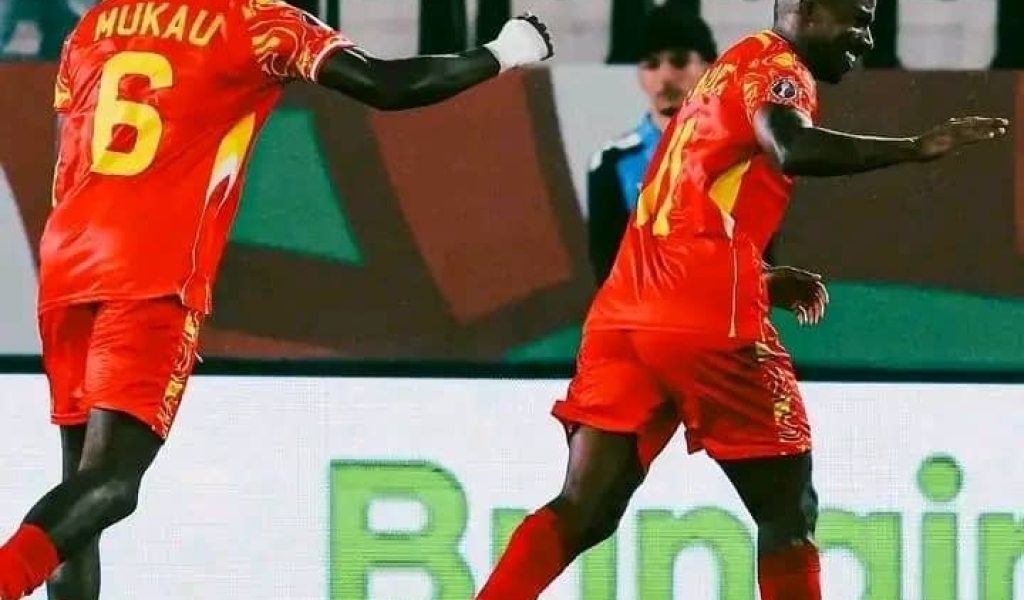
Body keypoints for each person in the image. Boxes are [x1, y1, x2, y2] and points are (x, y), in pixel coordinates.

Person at [0, 2, 554, 599]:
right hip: (151, 270)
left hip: (67, 262)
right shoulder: (257, 22)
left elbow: (70, 145)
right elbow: (386, 86)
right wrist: (505, 51)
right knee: (112, 483)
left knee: (78, 498)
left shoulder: (95, 23)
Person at [474, 0, 1007, 599]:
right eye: (856, 19)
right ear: (806, 10)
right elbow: (791, 147)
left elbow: (692, 202)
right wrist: (915, 147)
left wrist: (759, 275)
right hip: (705, 321)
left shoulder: (729, 69)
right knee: (788, 514)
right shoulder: (780, 70)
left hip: (626, 316)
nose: (865, 37)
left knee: (584, 508)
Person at [587, 5, 717, 283]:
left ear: (709, 68)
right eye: (651, 64)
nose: (665, 76)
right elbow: (607, 273)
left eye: (680, 61)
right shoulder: (611, 161)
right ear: (640, 74)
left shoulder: (740, 156)